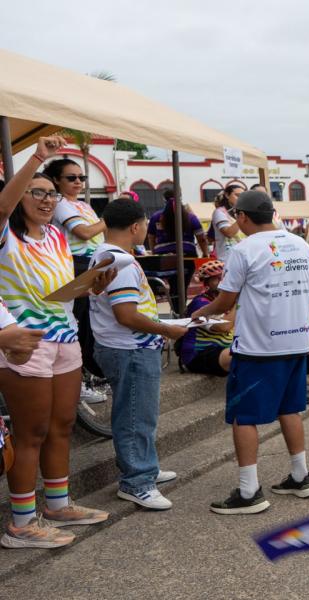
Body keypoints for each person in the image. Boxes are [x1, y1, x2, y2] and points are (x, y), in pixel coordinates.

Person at [0, 136, 114, 549]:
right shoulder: (6, 235)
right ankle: (21, 523)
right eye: (38, 192)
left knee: (62, 425)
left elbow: (61, 290)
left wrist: (91, 285)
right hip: (24, 343)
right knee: (31, 431)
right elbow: (1, 207)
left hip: (65, 338)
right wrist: (37, 159)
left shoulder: (56, 237)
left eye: (51, 194)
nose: (47, 200)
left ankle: (58, 503)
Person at [191, 191, 309, 514]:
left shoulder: (244, 249)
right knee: (290, 408)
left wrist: (199, 314)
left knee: (243, 416)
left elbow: (225, 300)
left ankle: (249, 492)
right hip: (296, 340)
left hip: (259, 346)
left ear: (243, 217)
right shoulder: (300, 244)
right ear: (273, 212)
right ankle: (301, 476)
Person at [89, 199, 188, 510]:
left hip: (125, 347)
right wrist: (166, 330)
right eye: (146, 224)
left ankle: (145, 467)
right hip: (129, 349)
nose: (148, 229)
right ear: (135, 226)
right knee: (135, 416)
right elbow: (126, 315)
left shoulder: (105, 255)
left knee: (139, 413)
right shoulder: (121, 264)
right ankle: (137, 481)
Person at [45, 158, 109, 396]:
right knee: (78, 325)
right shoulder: (60, 203)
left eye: (82, 177)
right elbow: (83, 232)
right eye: (71, 178)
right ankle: (77, 382)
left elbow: (97, 235)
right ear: (56, 181)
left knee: (89, 325)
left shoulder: (82, 205)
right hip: (75, 265)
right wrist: (109, 219)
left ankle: (85, 375)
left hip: (92, 264)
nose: (78, 182)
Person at [179, 261, 235, 376]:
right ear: (206, 283)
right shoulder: (200, 303)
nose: (221, 282)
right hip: (198, 354)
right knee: (240, 356)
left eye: (223, 277)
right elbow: (224, 326)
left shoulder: (227, 301)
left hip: (220, 350)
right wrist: (239, 301)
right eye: (216, 279)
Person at [147, 189, 209, 257]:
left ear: (164, 200)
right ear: (180, 198)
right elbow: (201, 239)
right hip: (187, 253)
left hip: (162, 254)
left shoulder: (155, 217)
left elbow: (151, 238)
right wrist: (205, 253)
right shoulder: (191, 217)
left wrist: (154, 252)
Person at [212, 184, 245, 262]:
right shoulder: (220, 212)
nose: (240, 199)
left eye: (242, 196)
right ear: (227, 195)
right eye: (237, 195)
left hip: (243, 257)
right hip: (227, 259)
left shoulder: (238, 212)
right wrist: (242, 215)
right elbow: (229, 233)